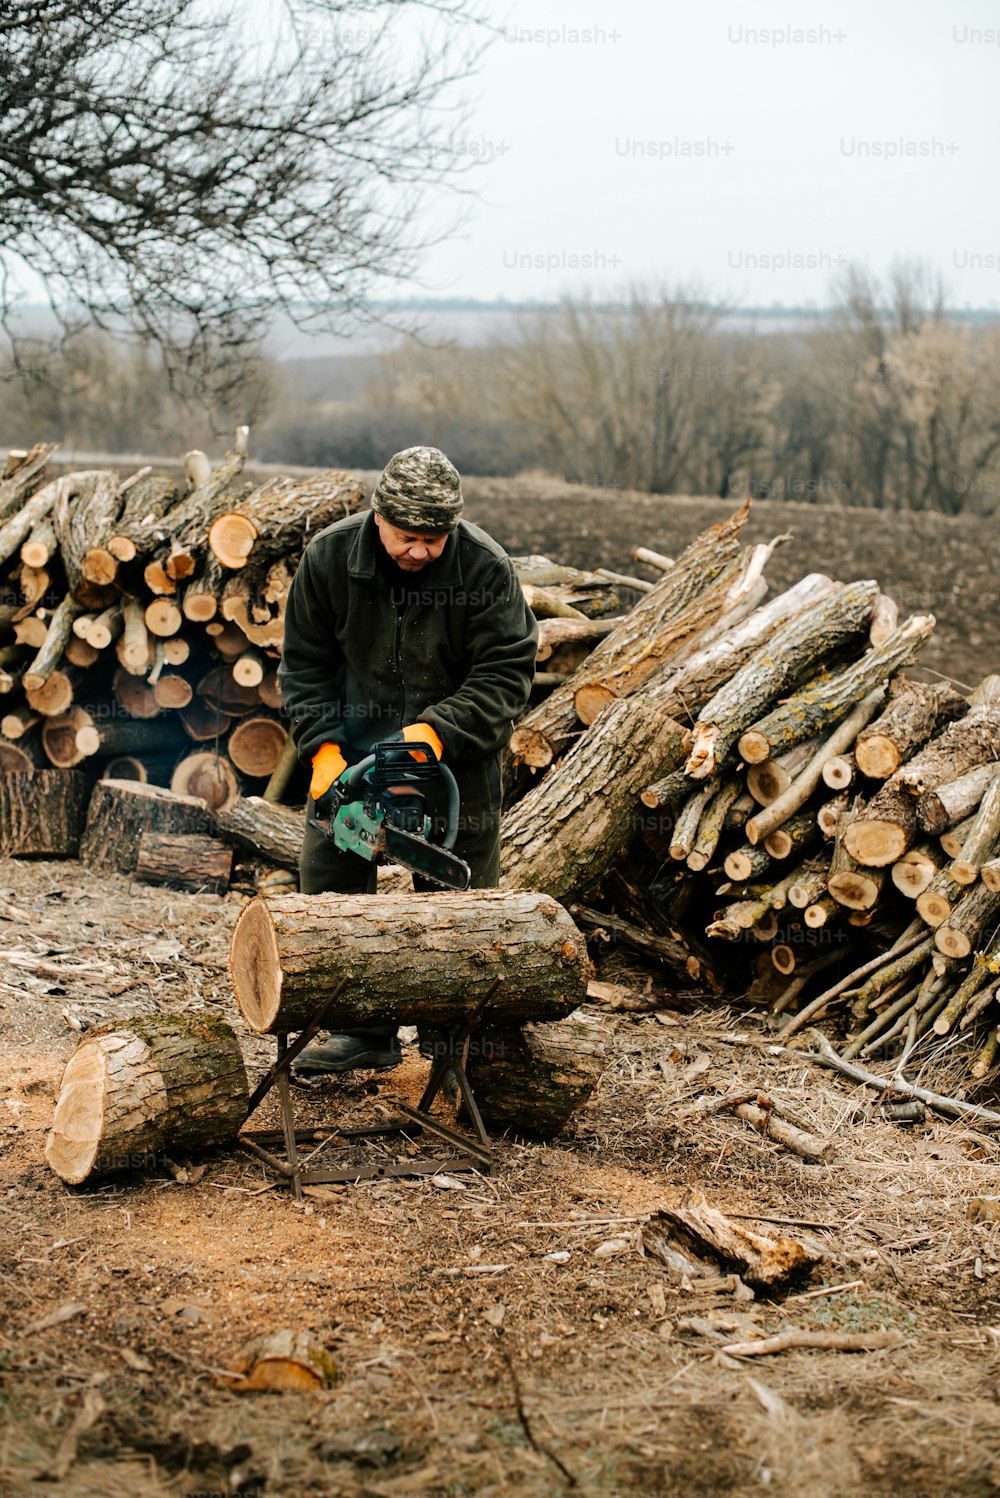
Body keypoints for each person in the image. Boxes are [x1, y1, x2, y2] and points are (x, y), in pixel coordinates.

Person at [277, 445, 538, 1072]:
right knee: (333, 889)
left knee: (459, 904)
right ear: (378, 517)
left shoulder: (482, 568)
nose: (419, 550)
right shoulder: (331, 559)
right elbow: (304, 666)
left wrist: (437, 731)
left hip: (454, 762)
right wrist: (324, 749)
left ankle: (457, 1046)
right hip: (356, 750)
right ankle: (363, 1034)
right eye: (406, 537)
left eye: (433, 538)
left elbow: (506, 673)